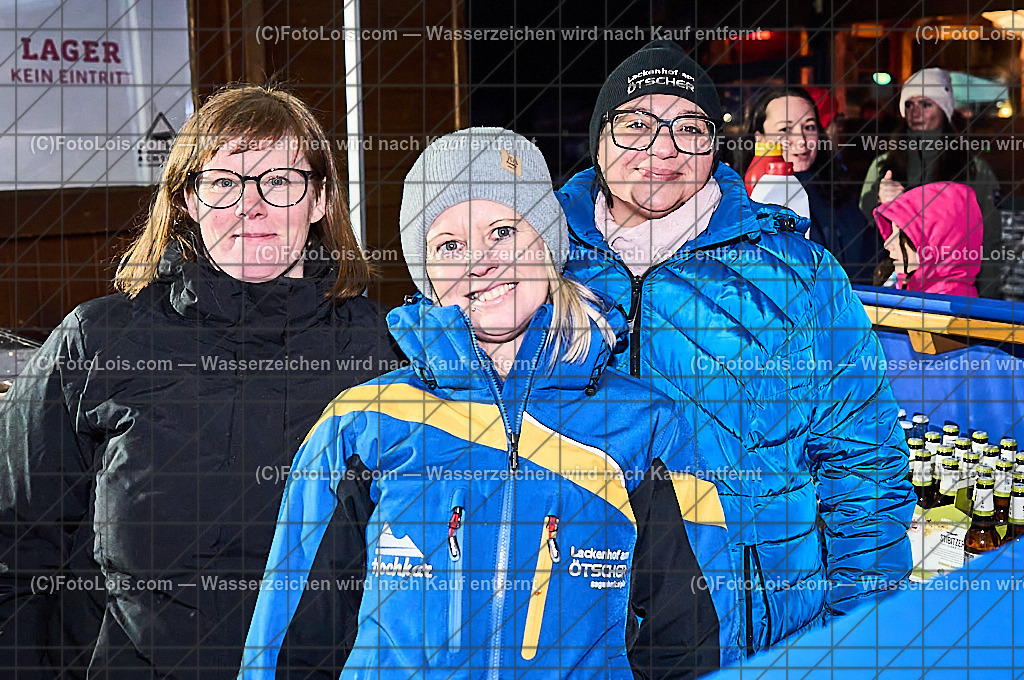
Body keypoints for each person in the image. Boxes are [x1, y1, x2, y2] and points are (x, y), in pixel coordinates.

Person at [240, 128, 727, 679]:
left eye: (502, 232)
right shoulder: (362, 426)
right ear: (426, 275)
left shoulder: (646, 426)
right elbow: (291, 644)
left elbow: (693, 642)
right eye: (449, 245)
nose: (480, 262)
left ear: (546, 243)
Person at [0, 83, 400, 680]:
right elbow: (15, 546)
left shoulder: (382, 354)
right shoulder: (99, 341)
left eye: (280, 181)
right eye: (224, 183)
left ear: (320, 200)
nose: (251, 207)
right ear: (188, 199)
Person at [556, 40, 916, 662]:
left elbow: (864, 463)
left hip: (755, 630)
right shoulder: (536, 264)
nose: (661, 148)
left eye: (688, 127)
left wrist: (860, 635)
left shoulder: (797, 274)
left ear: (714, 145)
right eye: (635, 124)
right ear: (598, 141)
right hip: (574, 619)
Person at [859, 67, 1002, 297]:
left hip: (950, 294)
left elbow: (989, 239)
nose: (916, 111)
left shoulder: (972, 168)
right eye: (909, 104)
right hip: (894, 285)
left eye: (925, 104)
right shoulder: (884, 165)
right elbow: (862, 230)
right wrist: (880, 202)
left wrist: (986, 309)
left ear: (944, 109)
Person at [737, 86, 877, 284]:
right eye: (785, 129)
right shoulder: (740, 197)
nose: (801, 141)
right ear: (760, 138)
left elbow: (870, 259)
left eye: (809, 127)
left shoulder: (840, 191)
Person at [874, 181, 983, 297]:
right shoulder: (902, 288)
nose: (887, 244)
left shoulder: (947, 310)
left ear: (935, 245)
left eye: (900, 234)